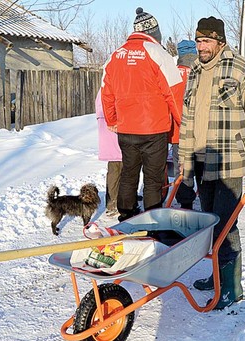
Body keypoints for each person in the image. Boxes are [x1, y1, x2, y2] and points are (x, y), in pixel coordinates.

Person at [179, 16, 245, 309]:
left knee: (225, 225)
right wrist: (183, 165)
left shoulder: (242, 68)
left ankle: (232, 289)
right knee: (208, 223)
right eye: (198, 41)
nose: (201, 46)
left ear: (220, 42)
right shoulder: (195, 70)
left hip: (229, 161)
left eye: (207, 41)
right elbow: (186, 120)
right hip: (199, 159)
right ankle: (217, 274)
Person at [101, 7, 182, 222]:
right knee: (153, 178)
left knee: (129, 172)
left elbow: (105, 93)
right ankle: (152, 219)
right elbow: (173, 93)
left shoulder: (115, 55)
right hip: (154, 129)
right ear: (155, 32)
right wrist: (182, 124)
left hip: (126, 129)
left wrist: (112, 120)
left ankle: (126, 215)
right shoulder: (158, 53)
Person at [170, 39, 198, 209]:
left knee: (181, 168)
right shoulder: (201, 71)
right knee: (201, 165)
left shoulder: (172, 74)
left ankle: (185, 202)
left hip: (177, 132)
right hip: (200, 131)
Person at [96, 89, 122, 216]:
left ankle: (118, 200)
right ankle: (113, 203)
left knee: (117, 168)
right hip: (113, 128)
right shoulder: (109, 87)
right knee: (116, 168)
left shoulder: (105, 87)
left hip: (110, 127)